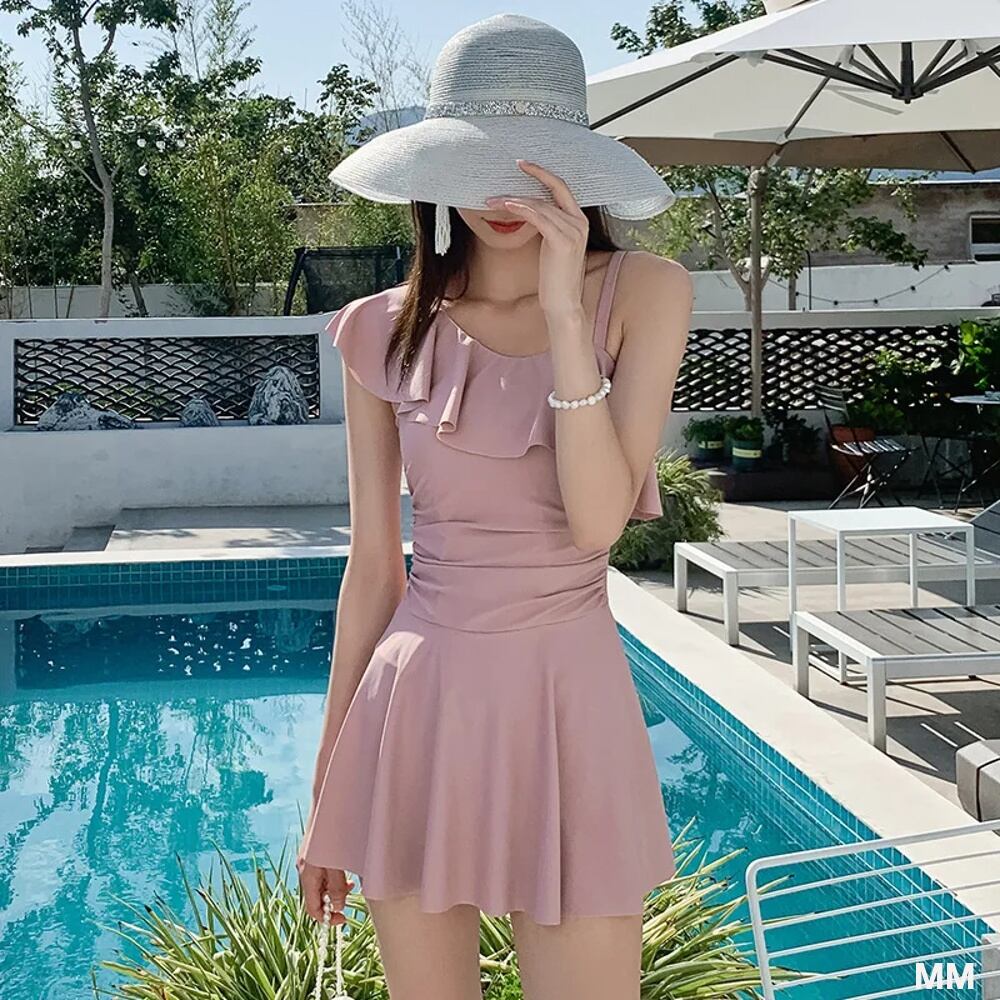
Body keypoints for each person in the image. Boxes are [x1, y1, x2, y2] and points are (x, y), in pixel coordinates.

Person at [296, 13, 693, 1000]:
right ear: (435, 172)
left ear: (577, 172)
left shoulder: (646, 293)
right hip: (416, 708)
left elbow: (596, 524)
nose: (502, 198)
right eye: (476, 167)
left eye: (530, 168)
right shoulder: (377, 330)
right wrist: (328, 794)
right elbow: (374, 570)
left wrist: (564, 314)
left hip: (570, 704)